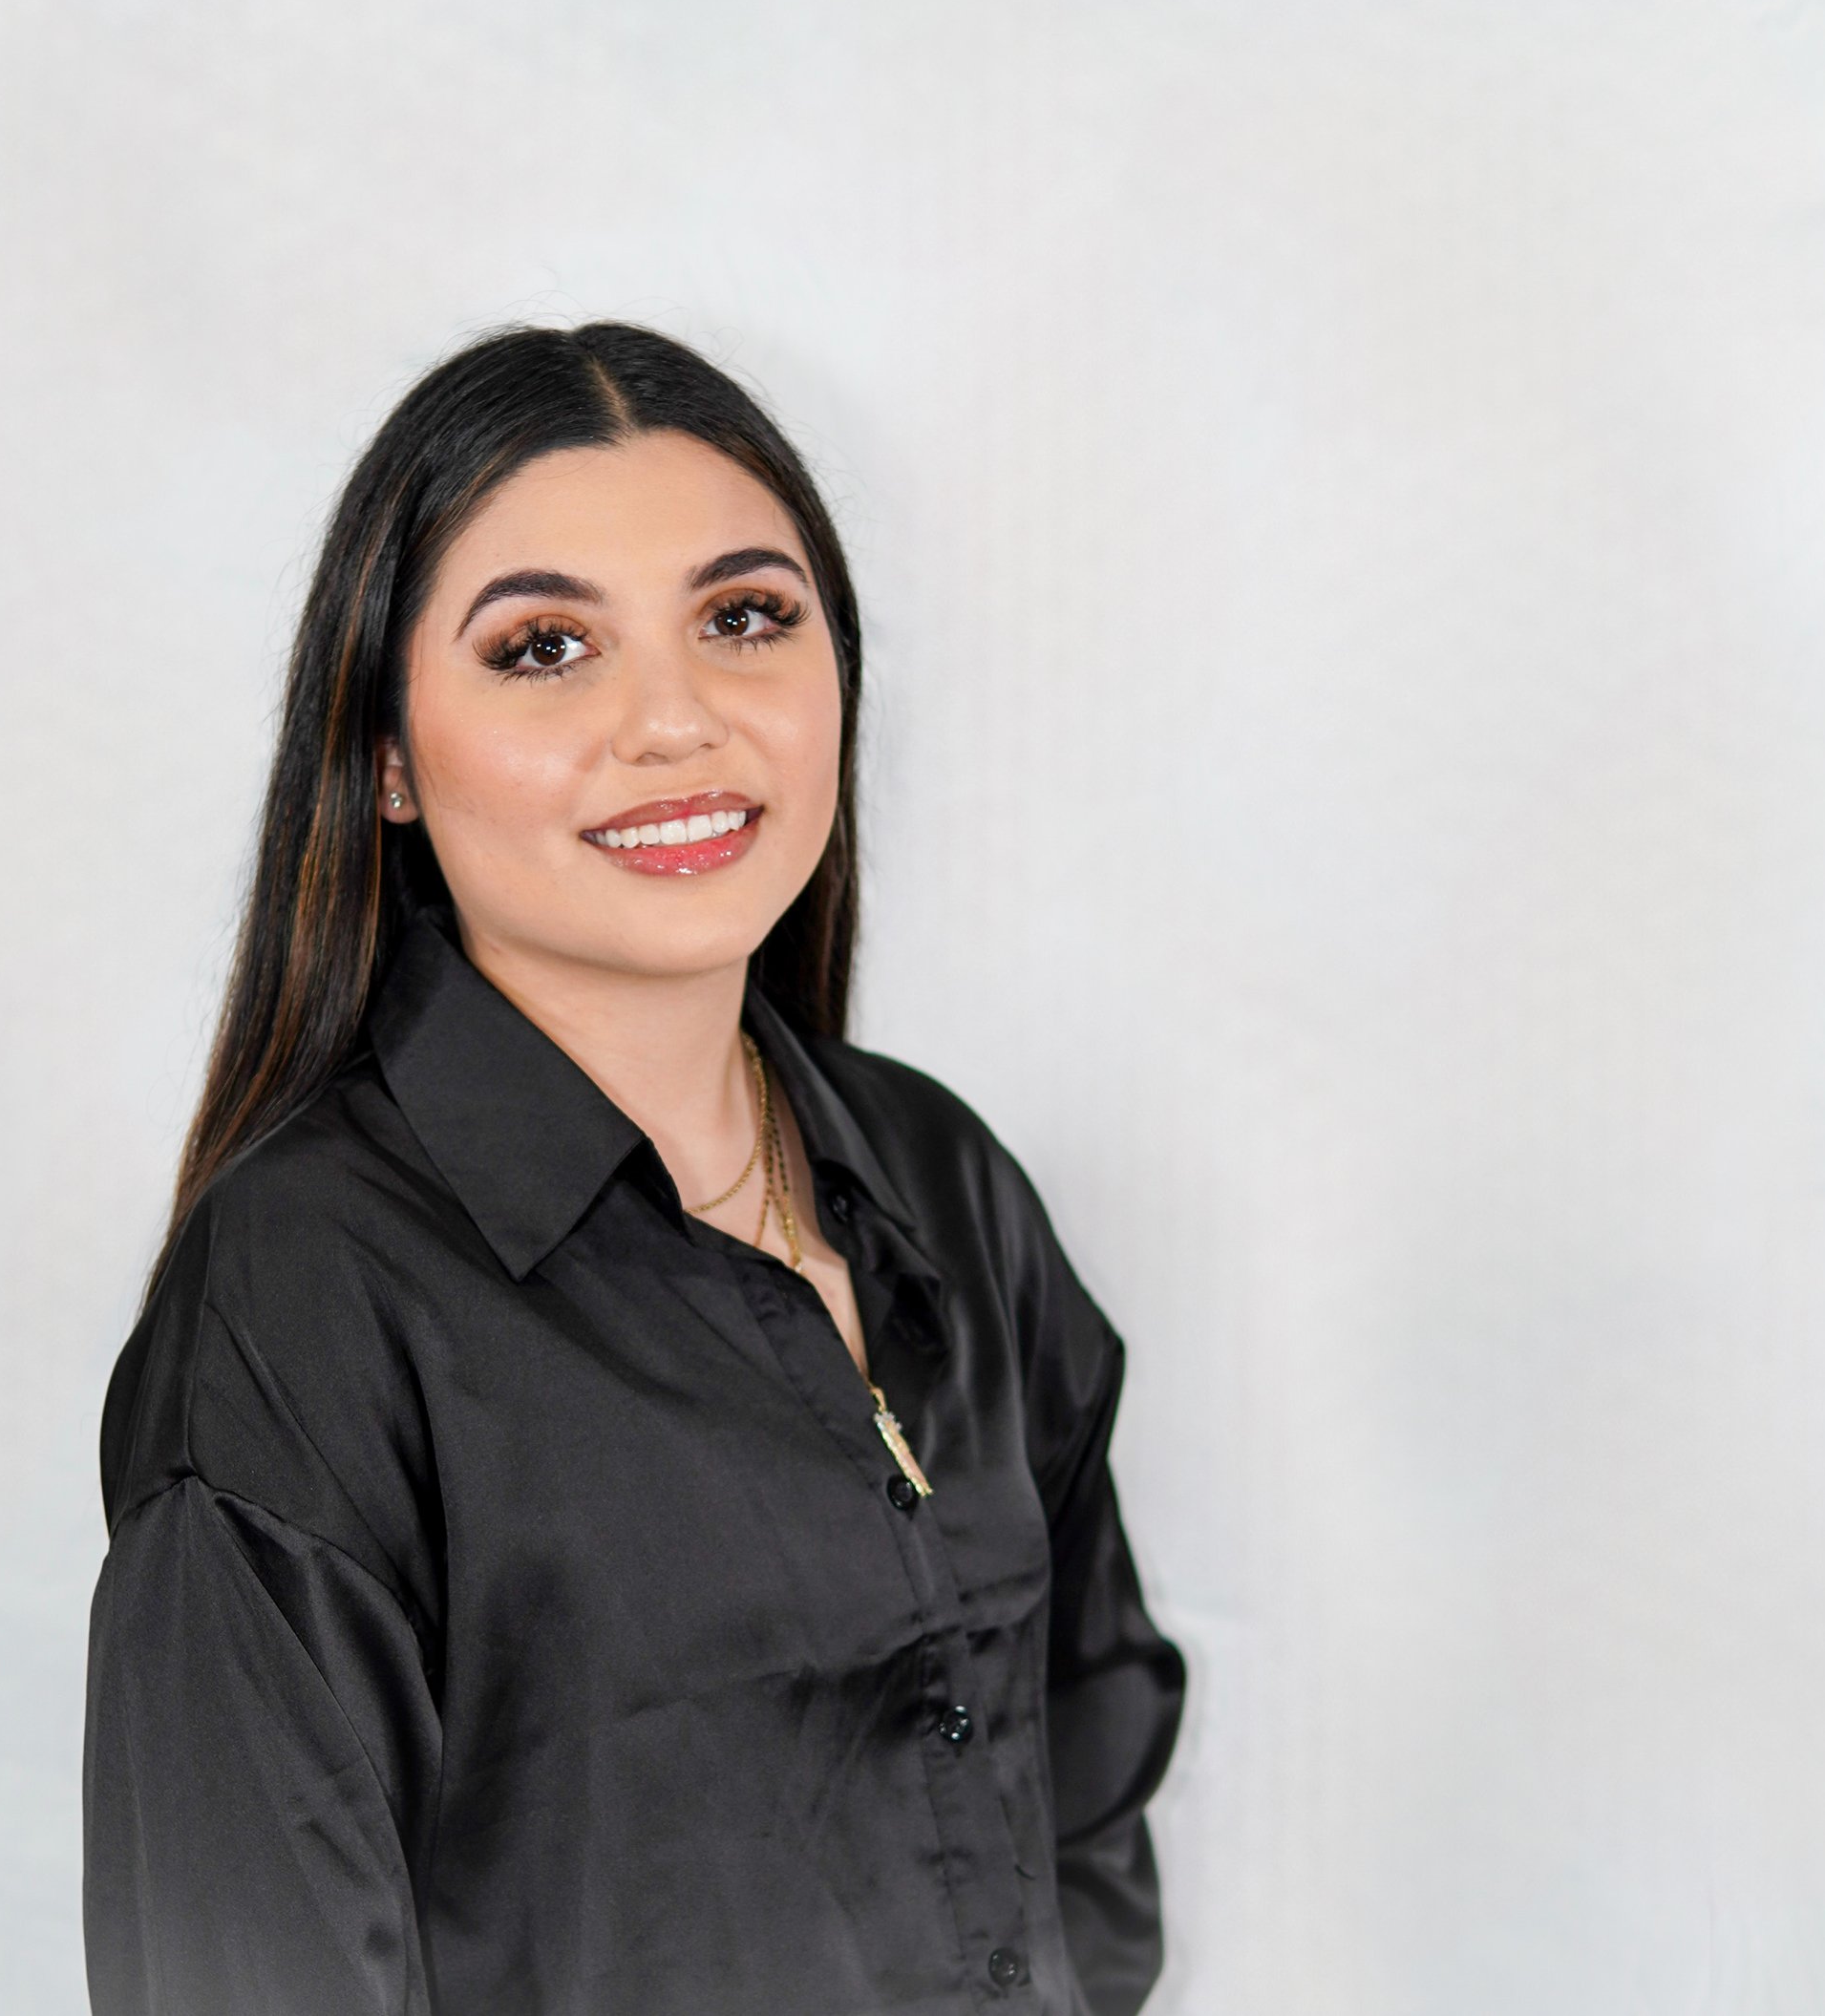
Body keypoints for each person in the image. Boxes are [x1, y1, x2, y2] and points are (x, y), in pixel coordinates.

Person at [82, 323, 1186, 2016]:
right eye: (543, 648)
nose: (674, 719)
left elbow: (1088, 1815)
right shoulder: (302, 1300)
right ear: (383, 753)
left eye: (745, 617)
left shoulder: (945, 1183)